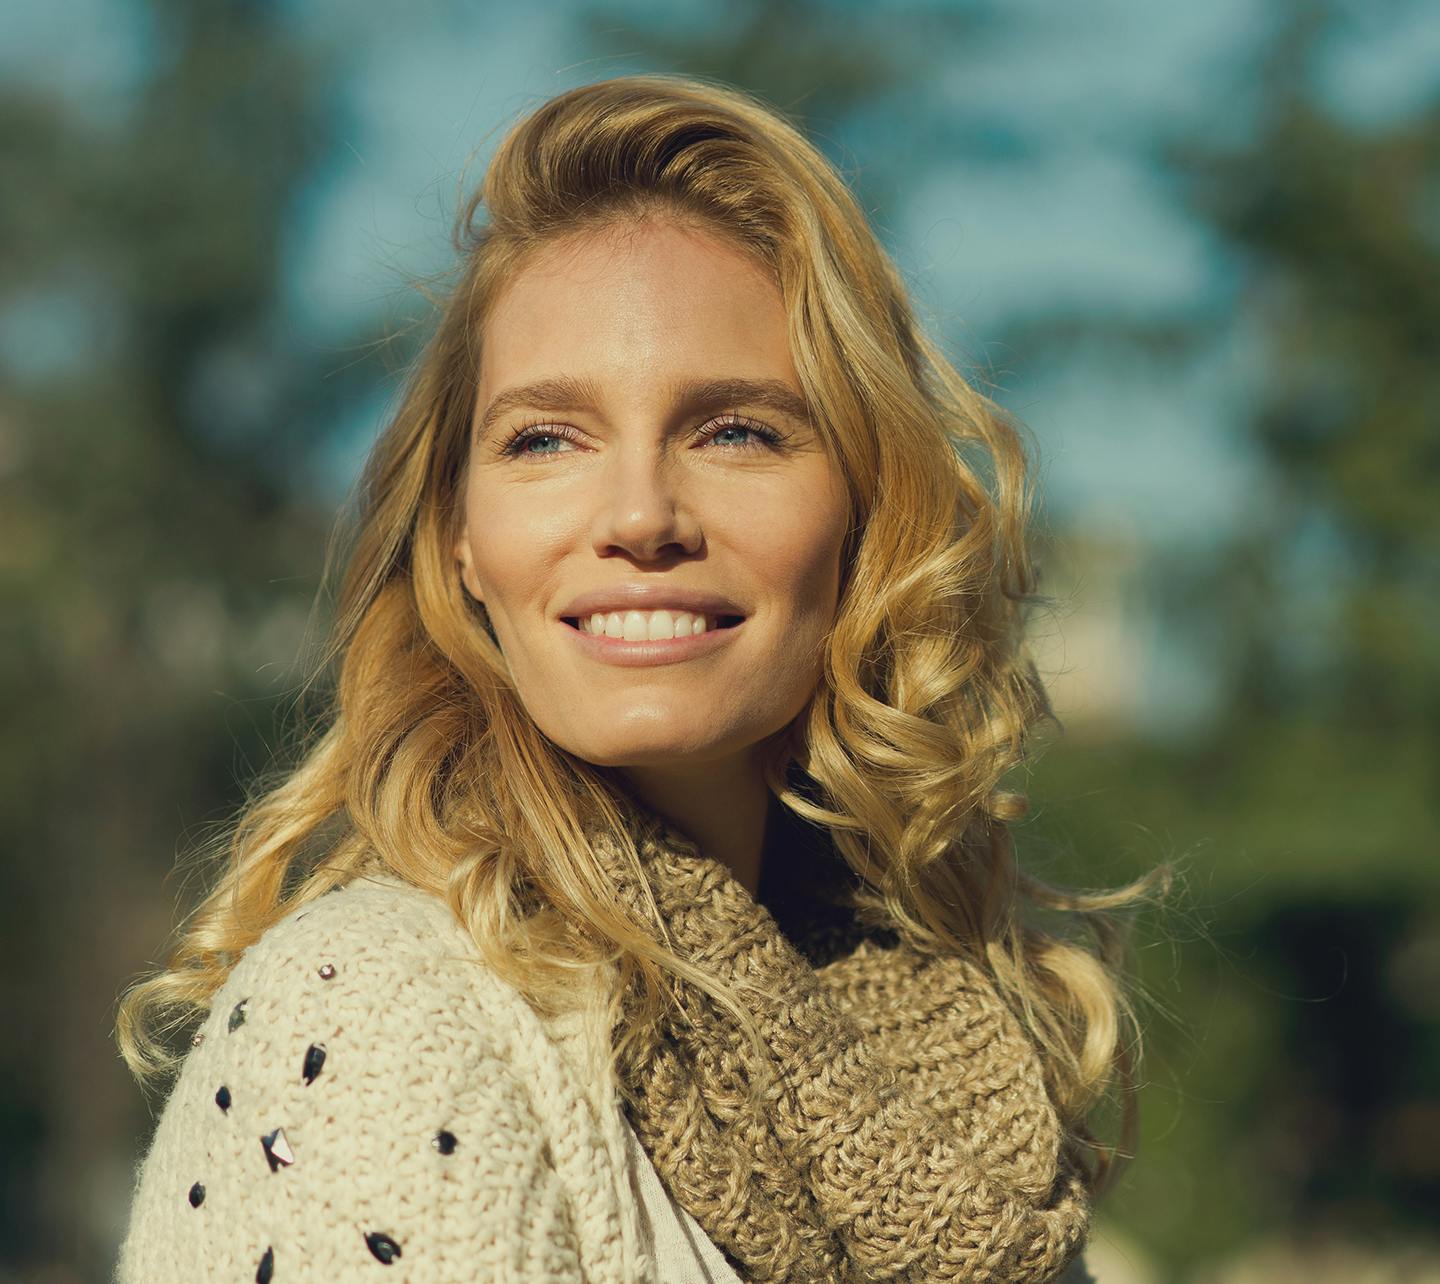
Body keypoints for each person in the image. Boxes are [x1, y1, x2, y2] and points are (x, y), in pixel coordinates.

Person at [114, 73, 1164, 1283]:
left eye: (737, 432)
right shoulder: (377, 1014)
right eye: (545, 439)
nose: (639, 515)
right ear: (462, 541)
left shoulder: (967, 1064)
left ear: (865, 514)